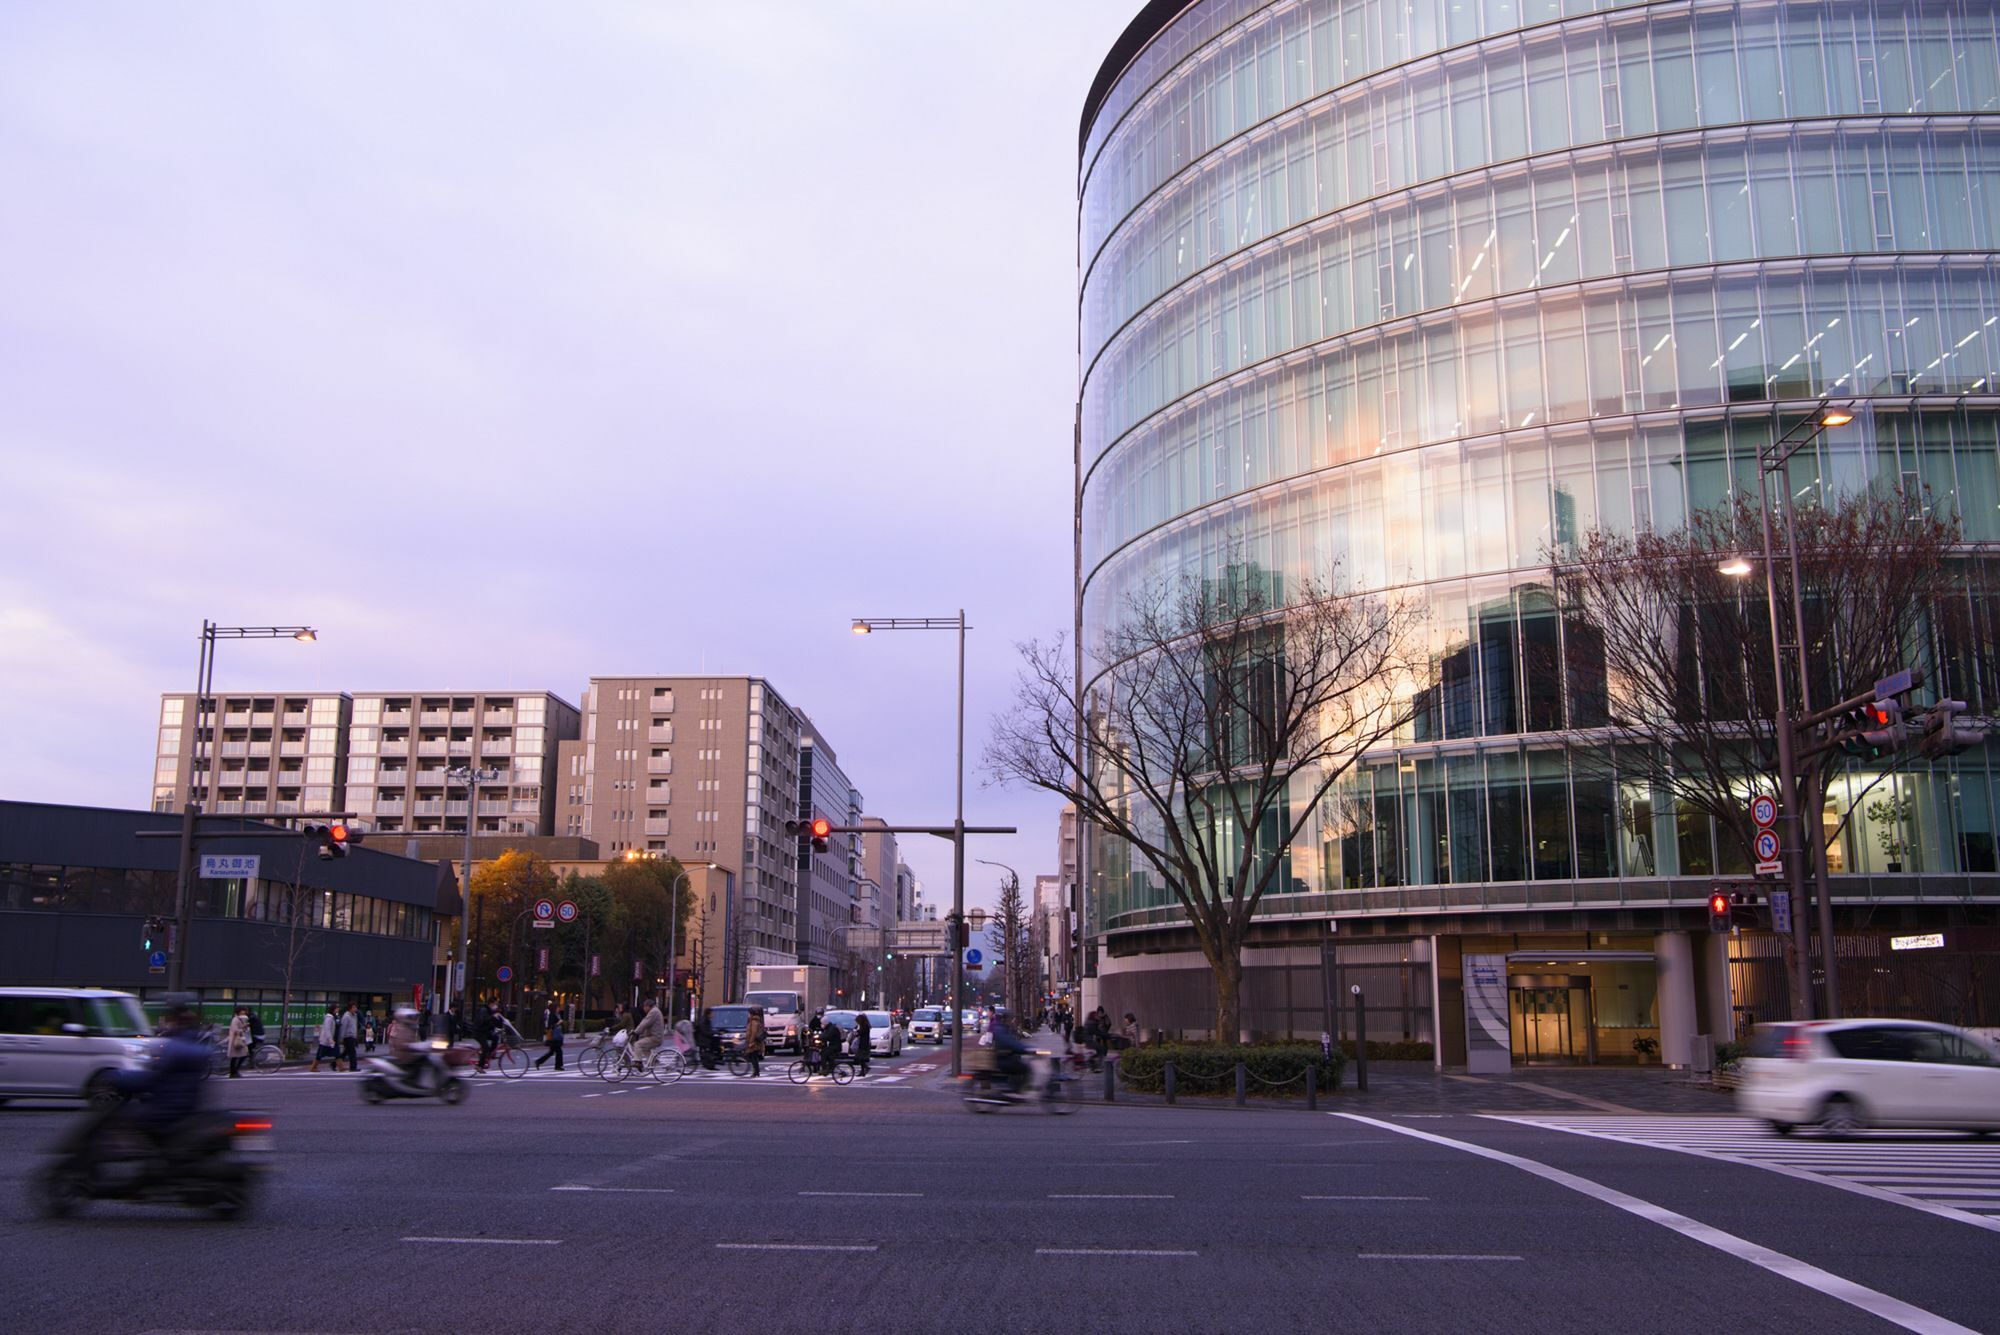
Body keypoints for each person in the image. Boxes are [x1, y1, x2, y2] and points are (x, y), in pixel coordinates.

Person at [990, 1008, 1032, 1094]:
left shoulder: (1002, 1028)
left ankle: (1015, 1088)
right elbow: (1011, 1043)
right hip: (1004, 1060)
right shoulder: (1001, 1030)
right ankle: (1016, 1090)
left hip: (1005, 1057)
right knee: (1026, 1068)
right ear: (1004, 1019)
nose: (1011, 1020)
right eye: (1009, 1018)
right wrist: (1026, 1049)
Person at [630, 997, 665, 1069]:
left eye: (644, 1007)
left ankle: (638, 1062)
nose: (644, 1009)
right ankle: (653, 1061)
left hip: (655, 1037)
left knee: (637, 1044)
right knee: (645, 1049)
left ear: (648, 1006)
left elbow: (645, 1023)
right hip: (656, 1036)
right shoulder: (655, 1011)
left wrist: (636, 1032)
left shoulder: (654, 1012)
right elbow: (646, 1024)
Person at [312, 1005, 338, 1073]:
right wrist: (330, 1039)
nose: (337, 1010)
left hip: (328, 1040)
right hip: (325, 1040)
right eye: (336, 1009)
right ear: (333, 1010)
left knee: (336, 1053)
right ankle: (313, 1067)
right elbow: (327, 1029)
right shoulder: (329, 1018)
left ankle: (341, 1066)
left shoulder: (332, 1017)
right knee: (319, 1055)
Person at [225, 1007, 250, 1077]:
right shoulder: (235, 1019)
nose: (244, 1012)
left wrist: (244, 1027)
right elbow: (235, 1030)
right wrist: (243, 1028)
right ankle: (233, 1072)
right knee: (235, 1057)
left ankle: (234, 1072)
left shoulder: (239, 1019)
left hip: (238, 1040)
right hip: (235, 1041)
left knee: (237, 1057)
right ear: (238, 1012)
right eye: (242, 1011)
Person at [743, 1006, 766, 1077]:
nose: (748, 1015)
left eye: (749, 1014)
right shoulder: (754, 1021)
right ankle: (756, 1072)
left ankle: (756, 1072)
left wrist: (751, 1042)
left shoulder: (754, 1022)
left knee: (753, 1058)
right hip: (754, 1042)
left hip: (754, 1043)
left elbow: (753, 1033)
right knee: (754, 1057)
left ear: (752, 1014)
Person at [338, 1003, 360, 1072]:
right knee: (352, 1052)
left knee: (346, 1052)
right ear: (350, 1008)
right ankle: (353, 1067)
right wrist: (341, 1037)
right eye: (354, 1008)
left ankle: (334, 1063)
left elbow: (355, 1026)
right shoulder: (346, 1016)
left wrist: (356, 1036)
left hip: (353, 1036)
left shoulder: (355, 1016)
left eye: (356, 1008)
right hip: (347, 1036)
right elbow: (343, 1027)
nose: (355, 1009)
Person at [852, 1011, 872, 1077]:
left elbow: (860, 1033)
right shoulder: (865, 1025)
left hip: (864, 1044)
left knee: (859, 1057)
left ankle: (864, 1069)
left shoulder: (865, 1026)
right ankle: (863, 1070)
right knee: (861, 1058)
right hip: (863, 1043)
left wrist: (857, 1033)